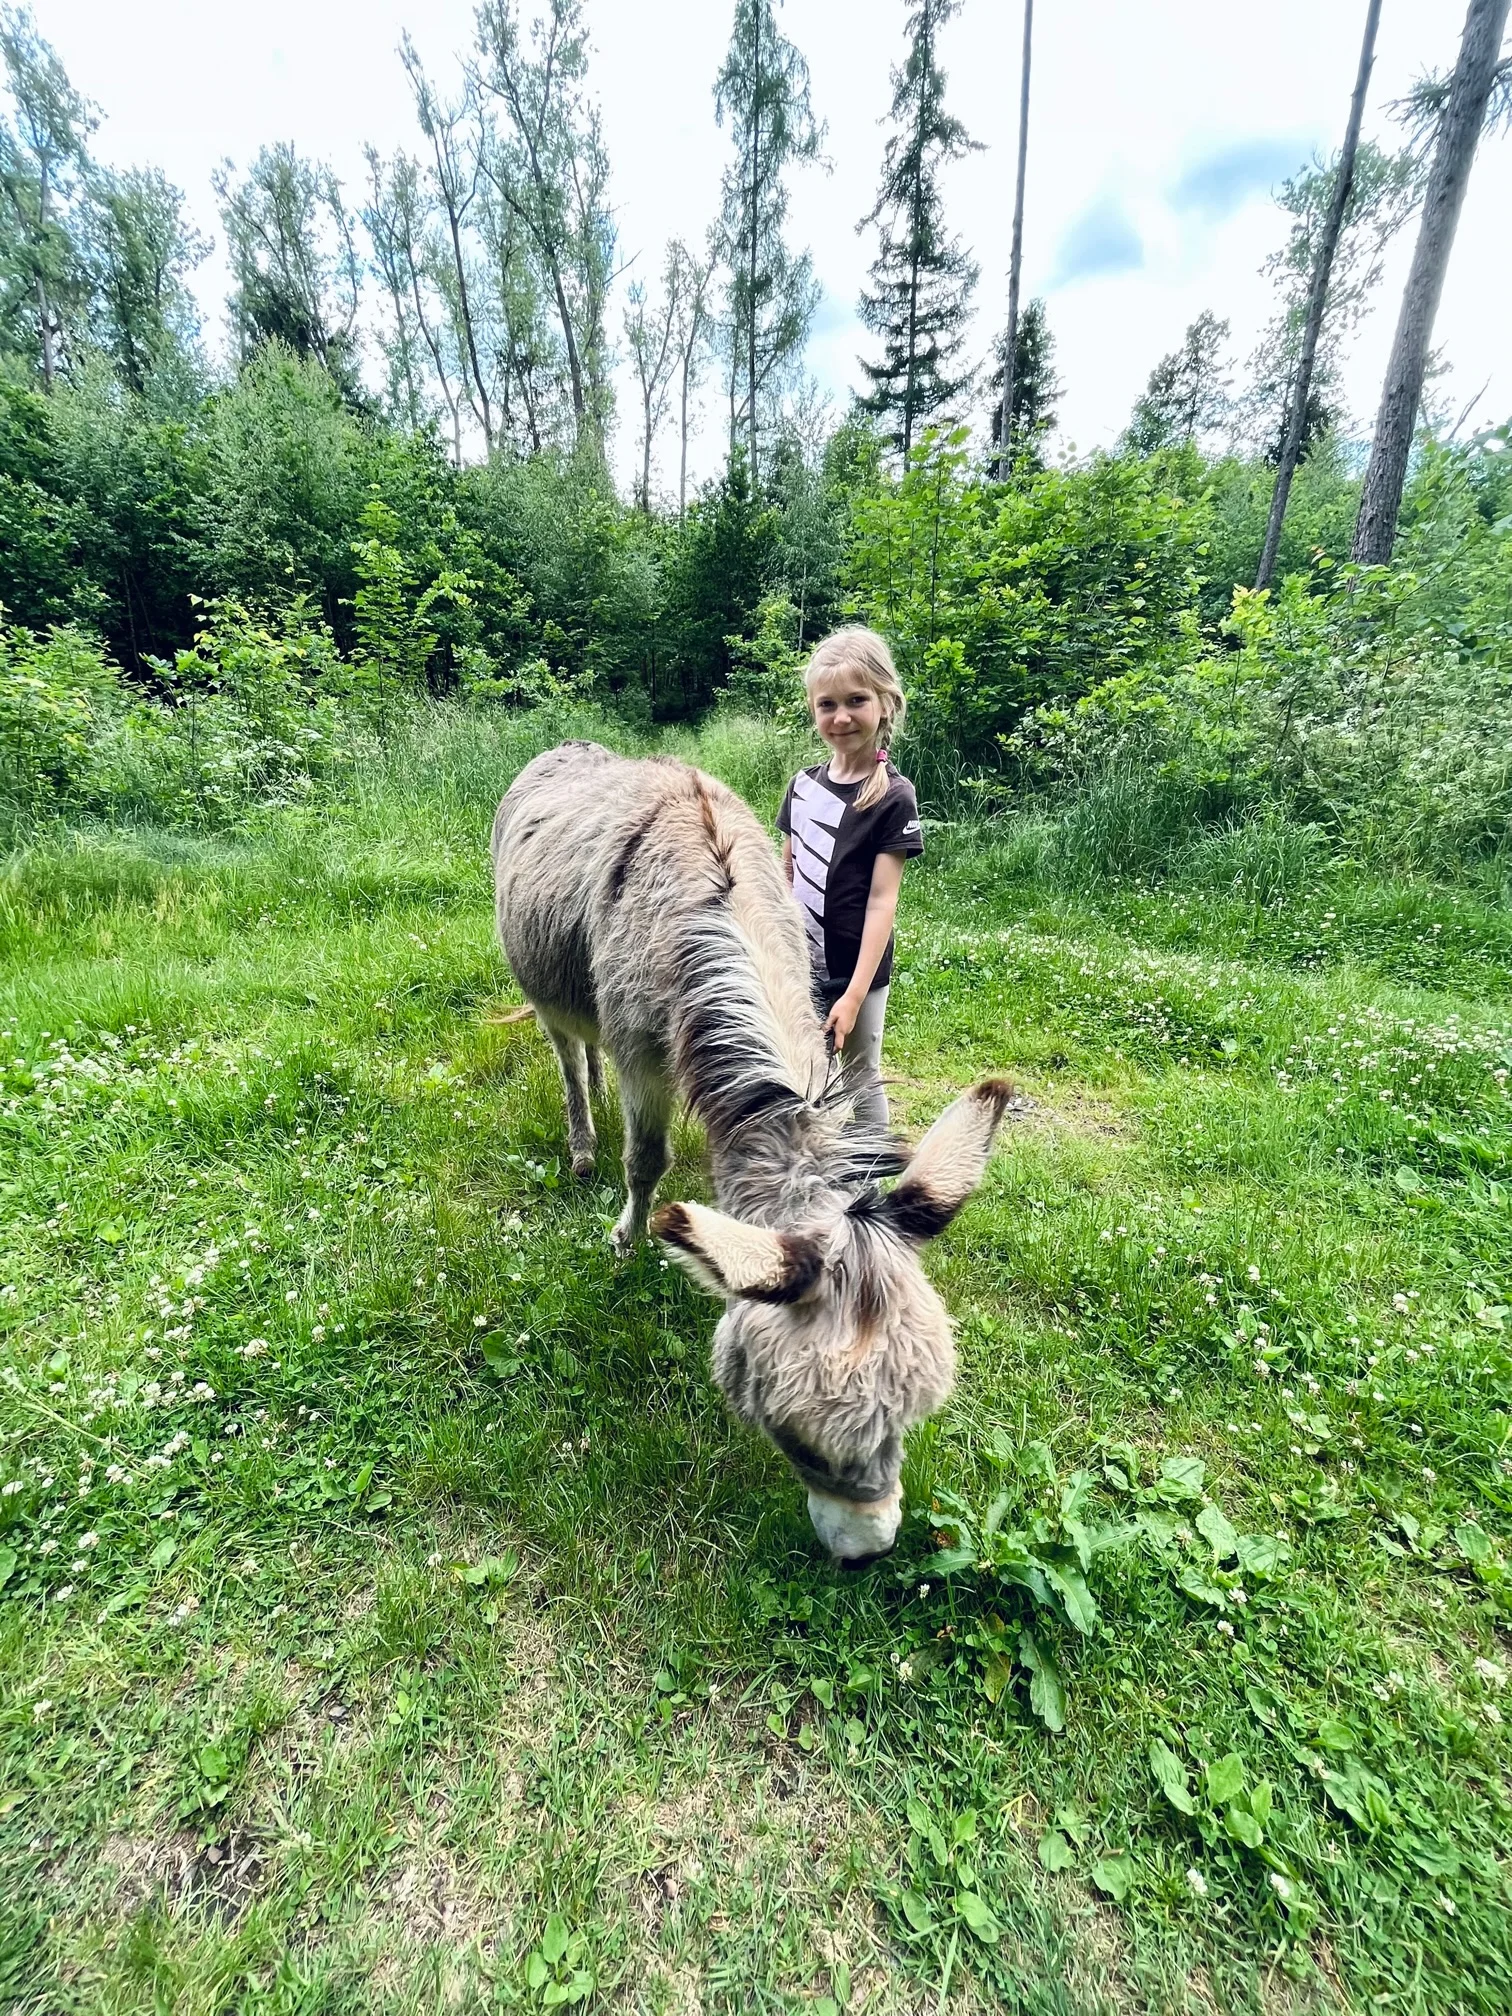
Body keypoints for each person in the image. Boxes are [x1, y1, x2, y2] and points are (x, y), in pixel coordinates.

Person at [776, 626, 924, 1130]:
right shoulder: (801, 785)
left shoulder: (893, 798)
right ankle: (823, 1172)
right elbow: (787, 871)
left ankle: (875, 1191)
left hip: (855, 972)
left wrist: (855, 993)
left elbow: (882, 903)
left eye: (856, 700)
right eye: (827, 705)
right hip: (800, 966)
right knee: (806, 1074)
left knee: (861, 1075)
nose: (841, 717)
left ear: (885, 702)